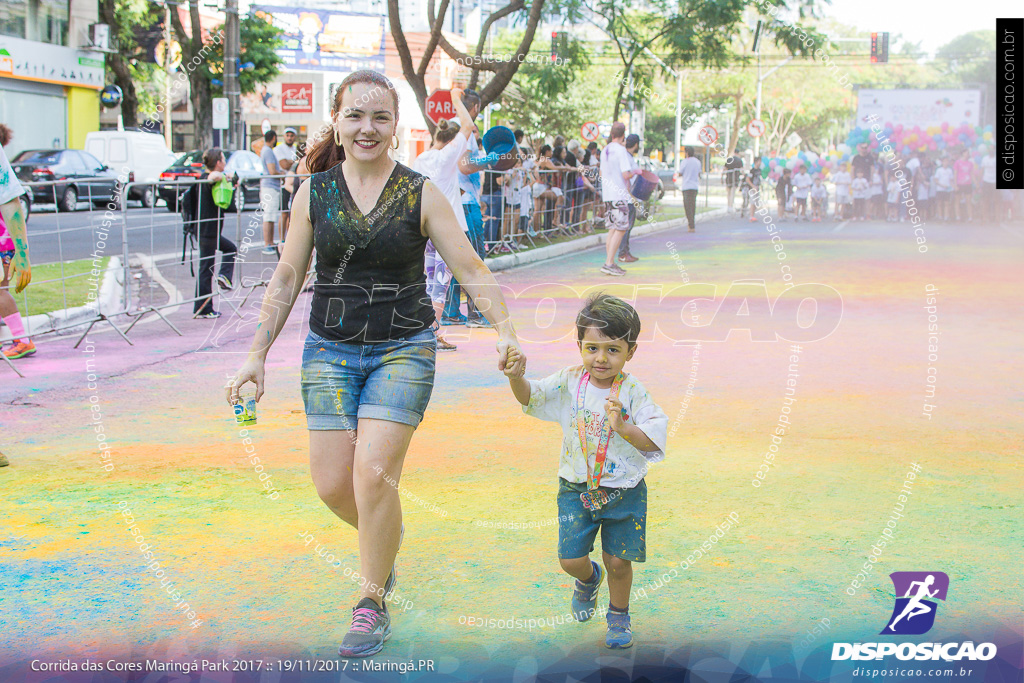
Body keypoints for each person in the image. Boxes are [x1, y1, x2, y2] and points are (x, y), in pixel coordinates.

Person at [225, 70, 526, 658]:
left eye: (380, 117)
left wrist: (505, 329)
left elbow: (468, 265)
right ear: (337, 120)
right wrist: (256, 355)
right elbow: (289, 275)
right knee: (334, 485)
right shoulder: (314, 192)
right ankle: (384, 542)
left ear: (395, 126)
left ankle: (370, 601)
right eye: (356, 115)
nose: (367, 127)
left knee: (373, 475)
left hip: (404, 348)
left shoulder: (421, 193)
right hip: (329, 350)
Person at [505, 293, 667, 649]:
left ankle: (619, 616)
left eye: (613, 349)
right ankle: (589, 578)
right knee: (570, 559)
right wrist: (517, 377)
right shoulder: (568, 381)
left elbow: (655, 442)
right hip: (575, 487)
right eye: (592, 348)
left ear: (630, 351)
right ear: (579, 345)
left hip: (624, 490)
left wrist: (625, 428)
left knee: (619, 562)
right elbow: (531, 397)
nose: (601, 358)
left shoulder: (634, 393)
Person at [411, 87, 478, 351]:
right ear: (452, 142)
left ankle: (427, 331)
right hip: (448, 232)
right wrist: (454, 97)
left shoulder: (420, 159)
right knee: (441, 283)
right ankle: (433, 334)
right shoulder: (447, 156)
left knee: (429, 283)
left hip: (425, 230)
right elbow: (469, 124)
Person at [443, 89, 502, 328]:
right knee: (476, 260)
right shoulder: (464, 130)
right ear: (476, 108)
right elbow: (465, 165)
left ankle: (451, 312)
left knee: (456, 260)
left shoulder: (448, 128)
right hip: (465, 204)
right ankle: (476, 314)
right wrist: (490, 160)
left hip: (454, 201)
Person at [187, 148, 238, 318]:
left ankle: (223, 277)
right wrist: (225, 176)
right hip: (206, 230)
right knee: (205, 269)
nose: (225, 163)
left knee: (229, 249)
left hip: (210, 230)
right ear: (217, 162)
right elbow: (213, 177)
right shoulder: (207, 178)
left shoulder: (209, 179)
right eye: (223, 159)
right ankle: (204, 308)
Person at [0, 127, 33, 362]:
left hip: (3, 241)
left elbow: (10, 200)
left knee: (1, 291)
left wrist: (22, 253)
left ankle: (22, 340)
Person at [599, 124, 642, 275]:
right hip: (619, 194)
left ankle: (609, 261)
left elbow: (601, 171)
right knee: (621, 228)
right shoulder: (621, 150)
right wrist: (635, 172)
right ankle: (609, 263)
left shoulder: (605, 150)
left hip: (608, 194)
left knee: (612, 229)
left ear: (611, 134)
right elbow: (626, 174)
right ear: (623, 135)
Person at [532, 144, 568, 234]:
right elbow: (554, 168)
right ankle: (555, 220)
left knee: (538, 210)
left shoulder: (540, 159)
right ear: (547, 152)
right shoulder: (545, 160)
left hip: (540, 186)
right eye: (551, 151)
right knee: (559, 197)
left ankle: (536, 232)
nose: (552, 153)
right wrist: (566, 168)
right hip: (540, 187)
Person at [617, 134, 642, 263]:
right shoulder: (626, 158)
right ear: (636, 145)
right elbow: (627, 176)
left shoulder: (627, 157)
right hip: (626, 196)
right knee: (626, 226)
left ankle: (625, 251)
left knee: (627, 226)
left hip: (628, 196)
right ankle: (622, 252)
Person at [259, 130, 282, 254]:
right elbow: (272, 171)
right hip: (270, 187)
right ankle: (267, 243)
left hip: (270, 186)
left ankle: (270, 242)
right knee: (269, 215)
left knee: (271, 215)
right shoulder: (268, 151)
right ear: (273, 138)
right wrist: (282, 173)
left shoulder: (266, 150)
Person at [275, 127, 299, 242]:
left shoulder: (296, 148)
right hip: (283, 185)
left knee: (292, 214)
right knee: (284, 213)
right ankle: (281, 239)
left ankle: (290, 239)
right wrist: (293, 162)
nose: (289, 138)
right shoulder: (279, 149)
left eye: (292, 135)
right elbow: (284, 165)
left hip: (293, 185)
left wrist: (290, 162)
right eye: (287, 135)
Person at [677, 146, 701, 232]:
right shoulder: (697, 162)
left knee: (687, 206)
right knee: (692, 205)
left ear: (686, 153)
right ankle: (692, 224)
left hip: (686, 186)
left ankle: (690, 224)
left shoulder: (684, 162)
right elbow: (699, 173)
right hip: (694, 186)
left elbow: (680, 173)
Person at [953, 149, 975, 222]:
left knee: (968, 201)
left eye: (968, 153)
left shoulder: (970, 163)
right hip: (959, 184)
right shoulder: (957, 162)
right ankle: (957, 217)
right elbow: (955, 174)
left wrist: (975, 183)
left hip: (968, 184)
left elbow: (972, 174)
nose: (968, 154)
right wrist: (955, 185)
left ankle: (970, 217)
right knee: (957, 201)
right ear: (962, 153)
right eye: (966, 153)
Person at [979, 145, 997, 222]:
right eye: (990, 149)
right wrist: (979, 182)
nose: (991, 150)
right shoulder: (984, 159)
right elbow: (982, 170)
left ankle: (996, 218)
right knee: (985, 200)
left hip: (995, 182)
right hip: (986, 181)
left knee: (996, 200)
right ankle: (984, 218)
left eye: (993, 149)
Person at [932, 156, 954, 221]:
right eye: (945, 161)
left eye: (947, 161)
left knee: (946, 203)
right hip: (940, 189)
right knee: (939, 203)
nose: (946, 163)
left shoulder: (950, 170)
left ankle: (946, 216)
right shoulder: (939, 170)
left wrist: (952, 186)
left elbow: (951, 180)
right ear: (942, 162)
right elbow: (936, 180)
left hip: (947, 189)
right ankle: (940, 216)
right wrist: (942, 185)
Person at [745, 157, 763, 222]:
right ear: (756, 162)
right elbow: (747, 179)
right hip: (752, 189)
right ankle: (751, 216)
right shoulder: (752, 170)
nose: (760, 163)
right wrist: (753, 186)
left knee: (756, 202)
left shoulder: (759, 170)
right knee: (752, 202)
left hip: (757, 188)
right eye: (759, 161)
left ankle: (753, 215)